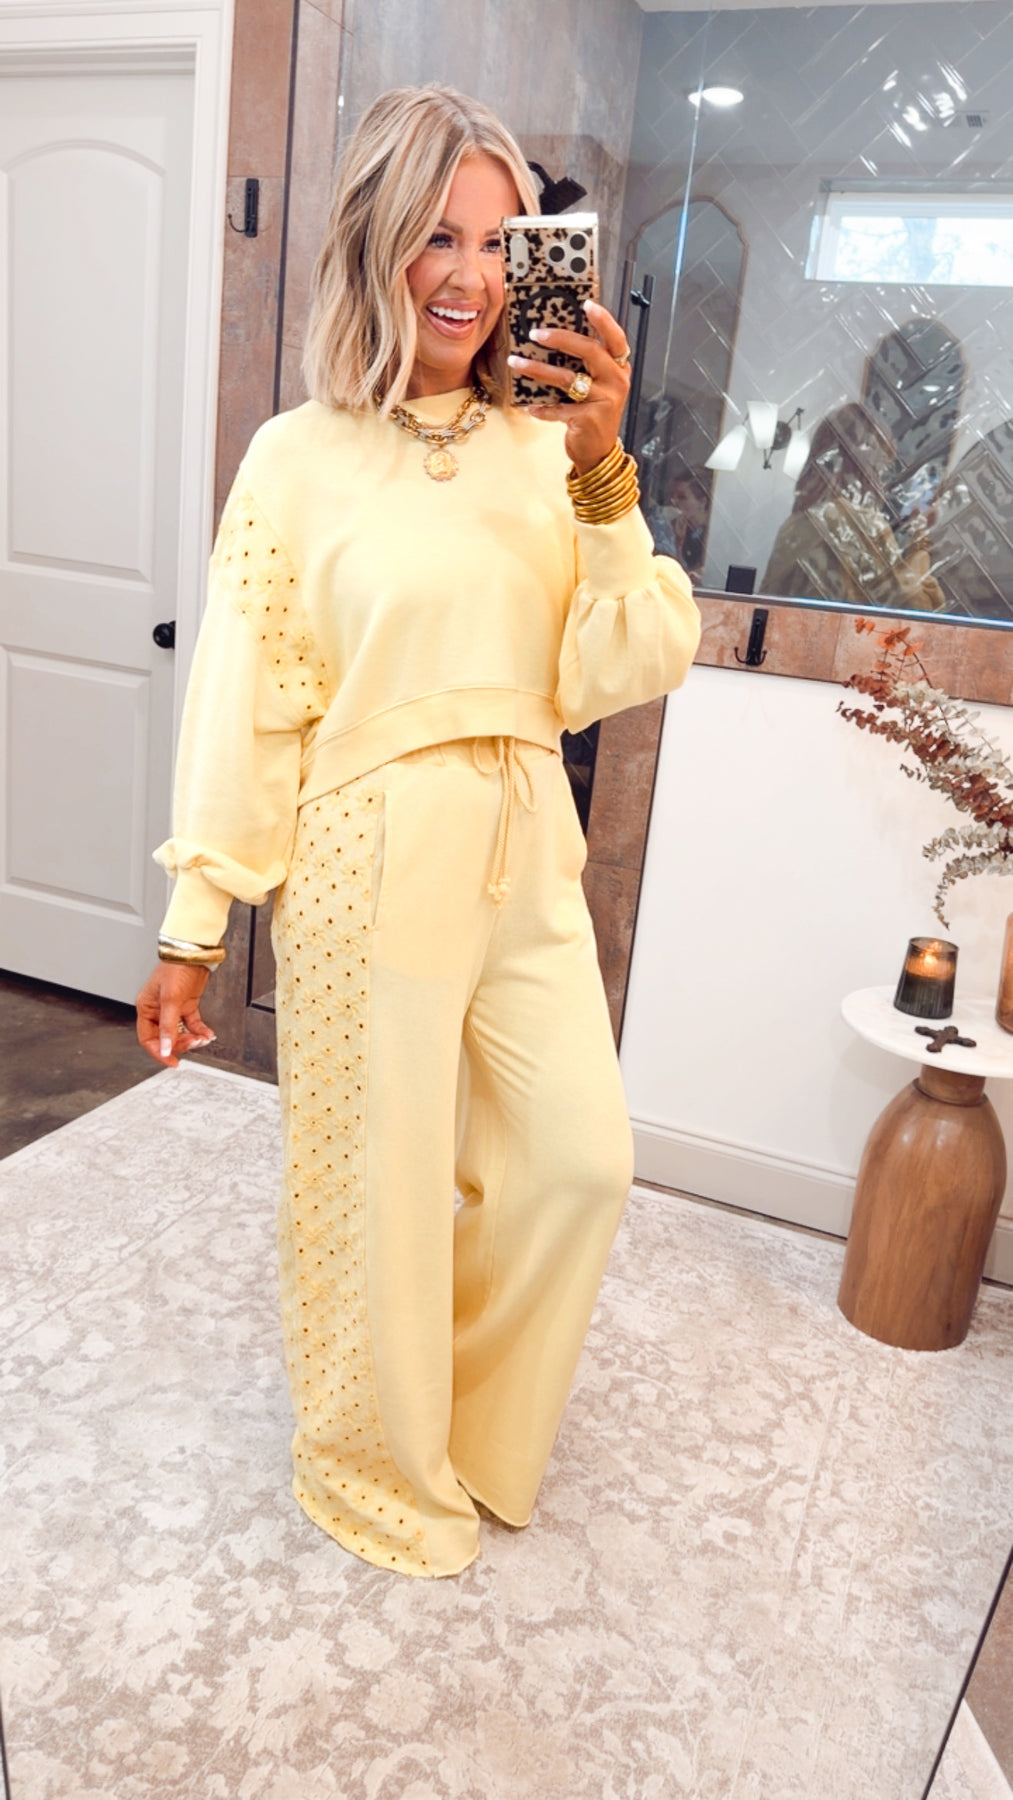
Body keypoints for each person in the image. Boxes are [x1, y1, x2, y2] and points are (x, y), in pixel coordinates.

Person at [135, 84, 701, 1579]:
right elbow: (247, 699)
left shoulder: (550, 448)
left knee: (578, 1161)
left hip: (524, 832)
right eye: (435, 236)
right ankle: (372, 1462)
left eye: (499, 242)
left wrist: (603, 468)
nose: (468, 276)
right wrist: (196, 924)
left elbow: (631, 657)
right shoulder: (297, 456)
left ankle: (471, 1422)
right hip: (364, 846)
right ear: (373, 240)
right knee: (374, 1183)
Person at [762, 403, 945, 612]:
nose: (882, 480)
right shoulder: (862, 524)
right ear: (868, 464)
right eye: (883, 466)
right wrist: (920, 539)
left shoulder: (794, 525)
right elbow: (912, 607)